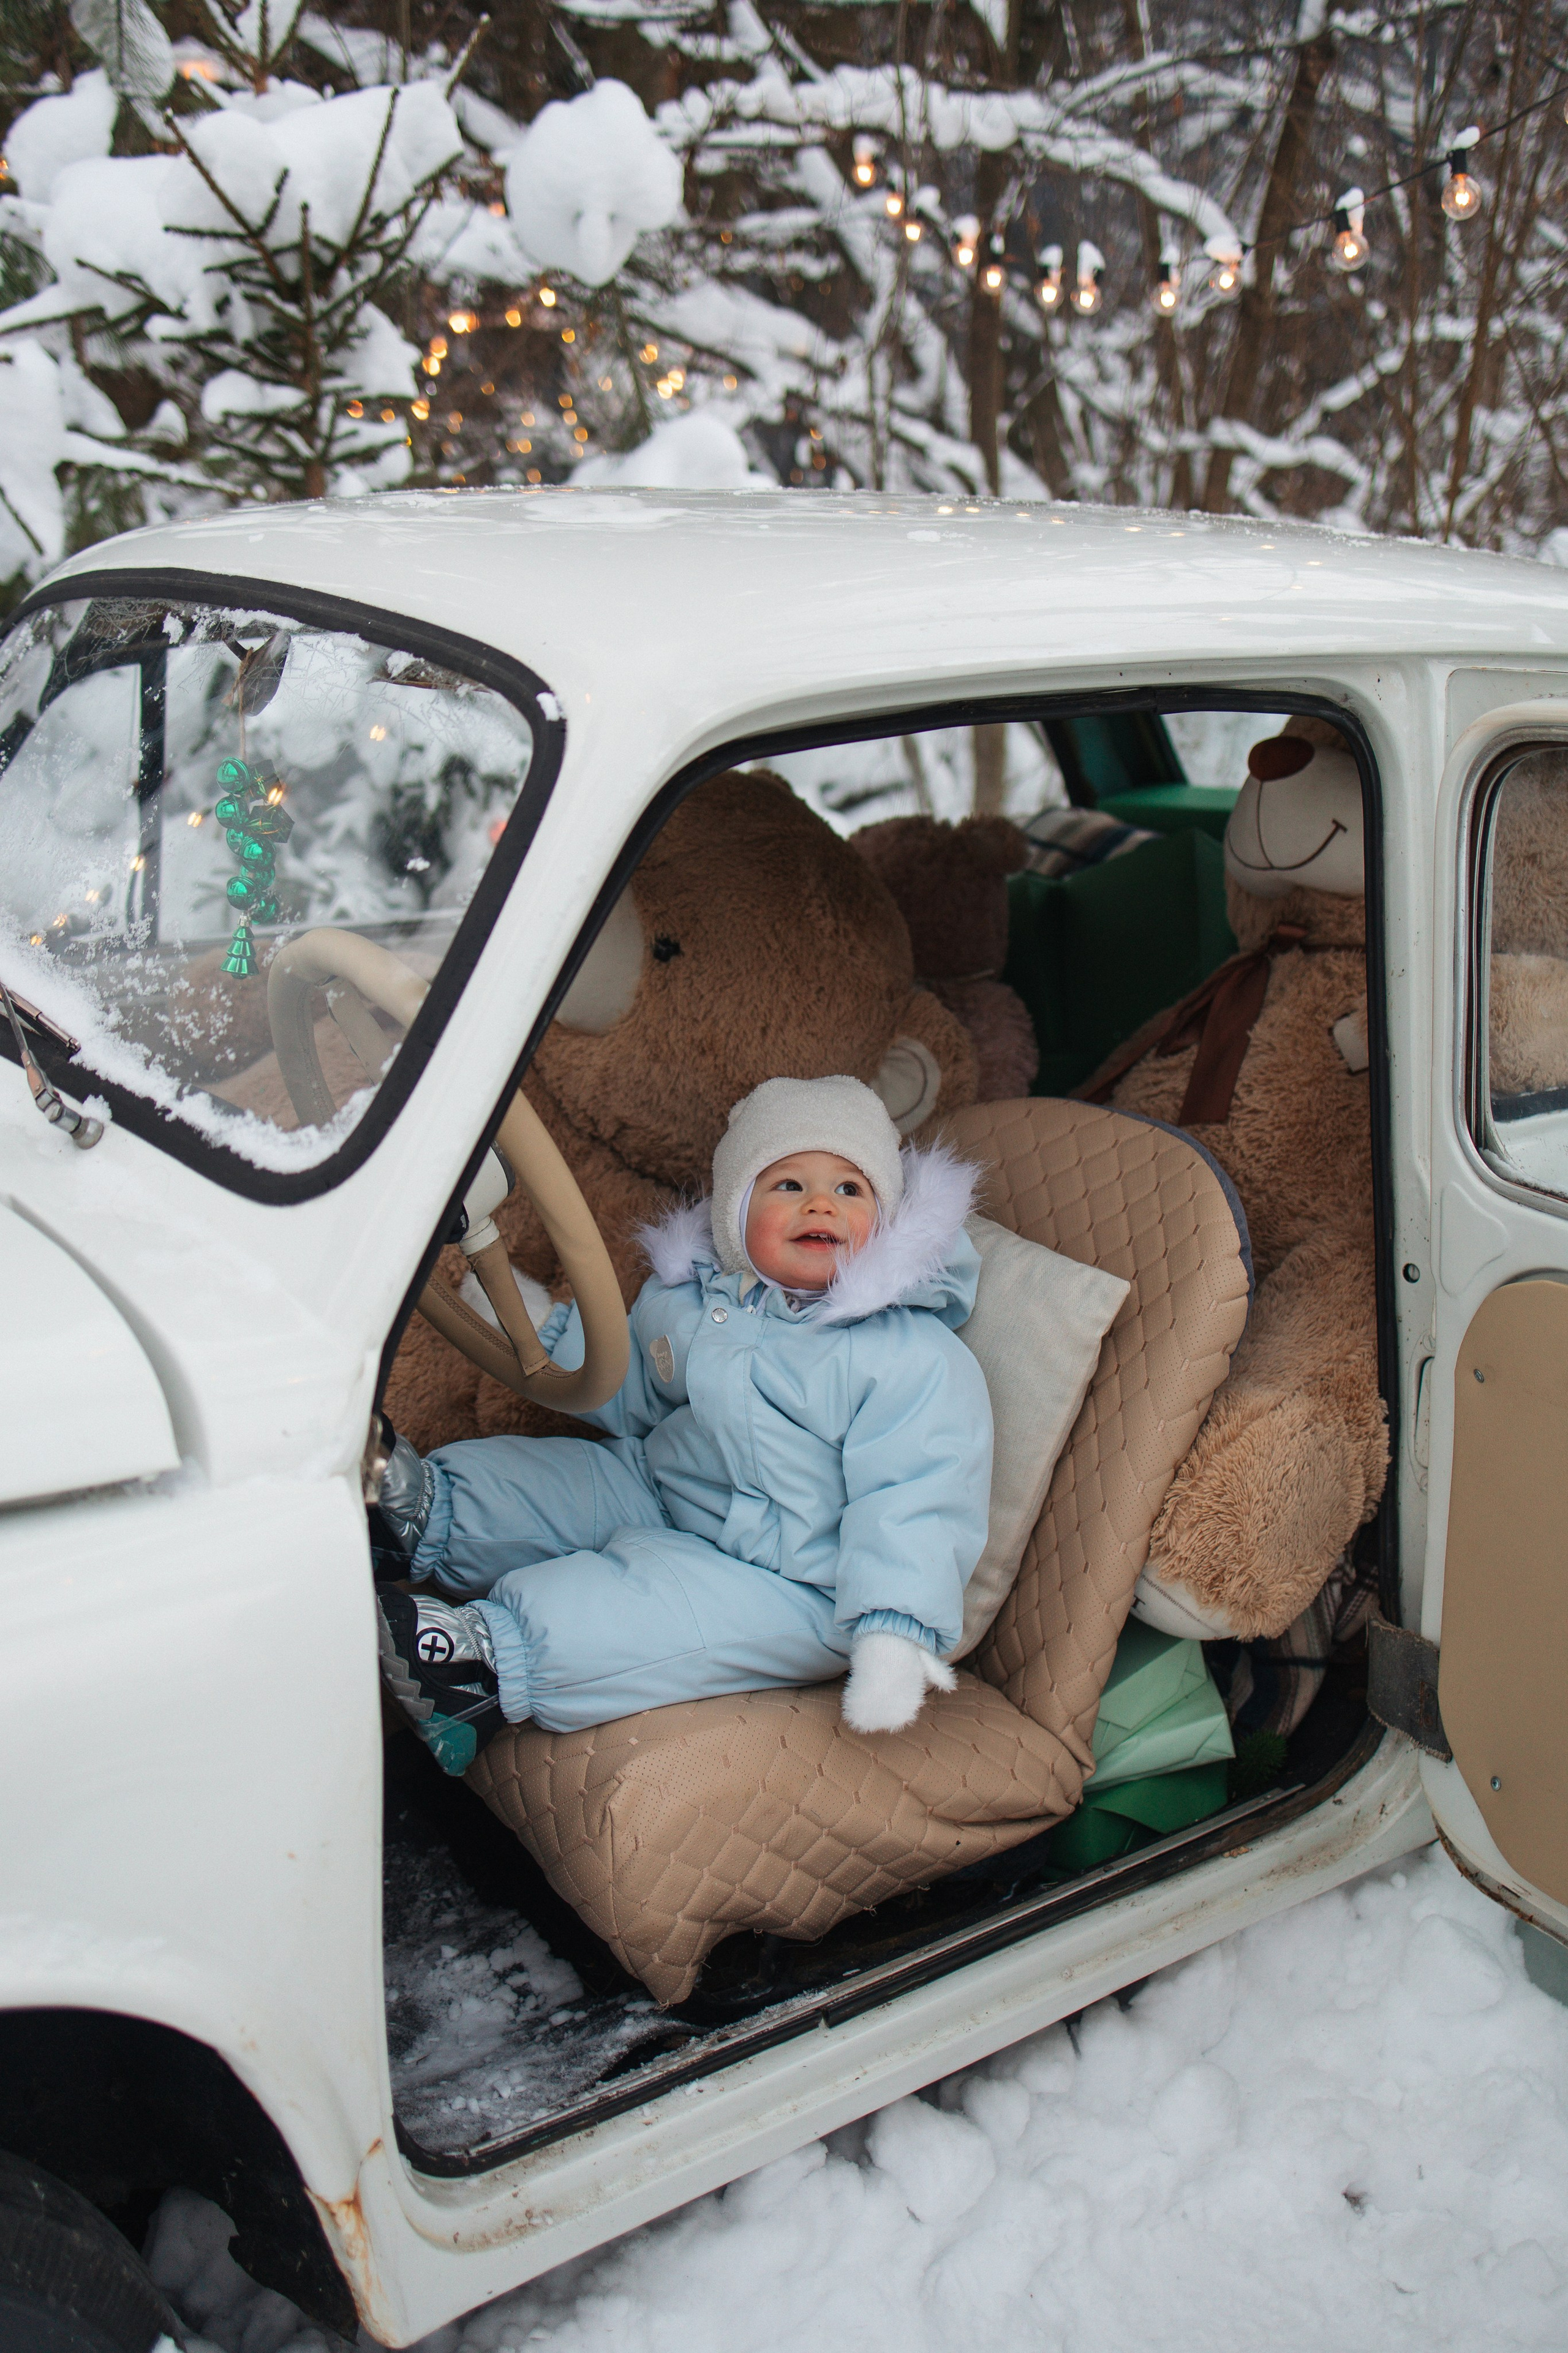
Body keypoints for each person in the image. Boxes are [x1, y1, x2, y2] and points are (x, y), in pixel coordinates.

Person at [374, 1075, 993, 1773]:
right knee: (545, 1479)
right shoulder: (698, 1303)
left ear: (885, 1219)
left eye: (850, 1189)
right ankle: (420, 1511)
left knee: (638, 1607)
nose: (821, 1203)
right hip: (665, 1484)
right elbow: (628, 1390)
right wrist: (543, 1332)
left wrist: (893, 1629)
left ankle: (476, 1665)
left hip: (796, 1581)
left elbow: (919, 1498)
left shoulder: (910, 1357)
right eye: (788, 1185)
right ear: (735, 1215)